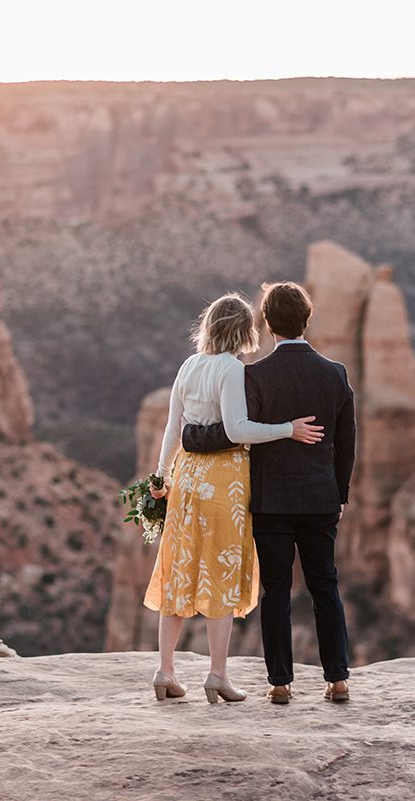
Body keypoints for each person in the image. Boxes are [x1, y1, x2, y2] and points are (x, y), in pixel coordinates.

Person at [144, 292, 324, 704]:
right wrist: (287, 429)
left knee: (179, 570)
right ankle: (217, 675)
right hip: (224, 481)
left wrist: (161, 476)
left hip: (187, 480)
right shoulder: (232, 369)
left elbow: (174, 429)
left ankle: (165, 670)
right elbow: (239, 429)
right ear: (243, 331)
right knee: (219, 572)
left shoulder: (189, 366)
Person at [183, 281, 355, 705]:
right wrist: (341, 492)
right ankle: (337, 679)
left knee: (275, 590)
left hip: (270, 501)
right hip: (319, 499)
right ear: (306, 320)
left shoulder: (255, 375)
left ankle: (280, 682)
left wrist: (191, 438)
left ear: (268, 324)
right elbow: (346, 440)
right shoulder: (335, 373)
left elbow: (239, 436)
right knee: (325, 587)